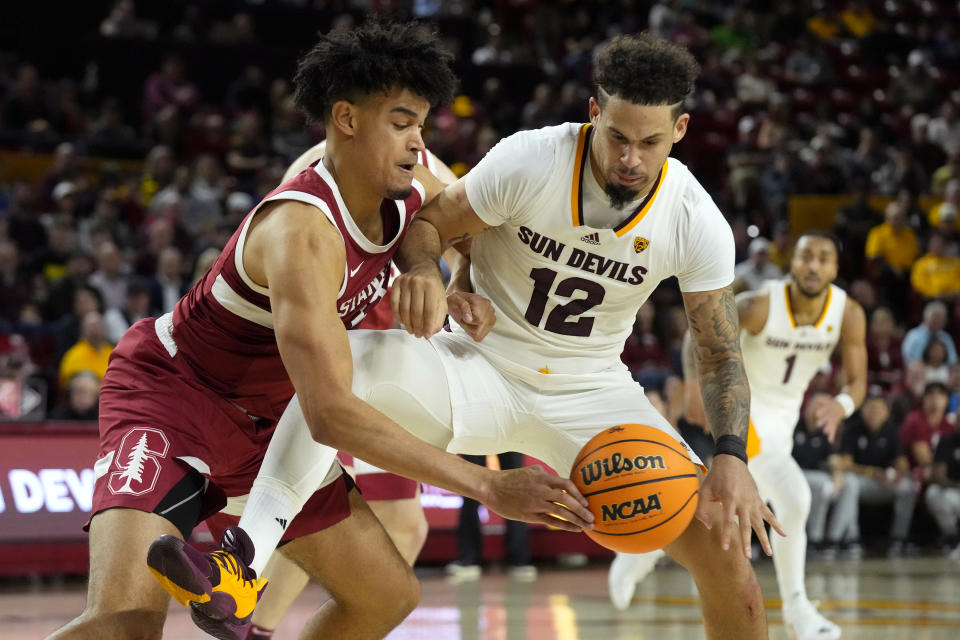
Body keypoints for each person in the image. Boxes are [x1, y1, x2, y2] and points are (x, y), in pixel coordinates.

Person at [217, 33, 784, 640]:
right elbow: (432, 223)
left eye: (649, 143)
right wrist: (424, 274)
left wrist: (730, 456)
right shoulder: (532, 159)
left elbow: (720, 350)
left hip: (590, 390)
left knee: (725, 551)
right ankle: (242, 558)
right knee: (344, 366)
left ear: (680, 131)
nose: (630, 159)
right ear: (594, 114)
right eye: (617, 136)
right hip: (475, 365)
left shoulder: (696, 220)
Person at [49, 22, 579, 640]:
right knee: (126, 625)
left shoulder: (409, 186)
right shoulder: (302, 232)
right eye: (402, 124)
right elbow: (329, 416)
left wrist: (443, 278)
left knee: (385, 596)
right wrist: (486, 483)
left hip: (269, 422)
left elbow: (462, 233)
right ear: (347, 118)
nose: (418, 145)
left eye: (422, 128)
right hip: (176, 399)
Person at [246, 140, 459, 640]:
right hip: (334, 357)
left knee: (402, 526)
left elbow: (468, 245)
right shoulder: (316, 169)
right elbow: (286, 268)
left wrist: (454, 285)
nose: (411, 132)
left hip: (394, 360)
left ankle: (290, 627)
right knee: (320, 518)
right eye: (399, 116)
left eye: (417, 118)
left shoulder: (432, 172)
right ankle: (253, 628)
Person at [610, 232, 867, 640]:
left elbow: (857, 383)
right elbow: (699, 331)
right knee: (795, 498)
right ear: (792, 263)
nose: (813, 266)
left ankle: (643, 549)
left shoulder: (848, 313)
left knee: (723, 516)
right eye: (805, 258)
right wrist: (695, 384)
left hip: (783, 425)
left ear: (836, 268)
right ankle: (798, 610)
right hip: (741, 413)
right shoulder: (761, 305)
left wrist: (841, 405)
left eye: (823, 259)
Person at [836, 394, 918, 556]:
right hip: (862, 481)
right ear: (862, 411)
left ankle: (898, 539)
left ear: (886, 413)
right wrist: (871, 472)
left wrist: (899, 473)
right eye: (870, 409)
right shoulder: (853, 429)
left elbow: (902, 462)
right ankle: (851, 538)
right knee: (850, 483)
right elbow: (845, 464)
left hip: (883, 482)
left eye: (879, 409)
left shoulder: (891, 431)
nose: (874, 413)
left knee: (908, 487)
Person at [793, 393, 860, 559]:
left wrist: (837, 474)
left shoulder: (828, 430)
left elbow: (832, 459)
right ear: (808, 407)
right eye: (817, 406)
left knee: (849, 483)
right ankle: (815, 538)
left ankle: (835, 538)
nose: (819, 411)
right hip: (794, 473)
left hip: (817, 474)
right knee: (824, 485)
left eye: (824, 407)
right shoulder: (795, 425)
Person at [924, 423, 960, 555]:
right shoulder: (947, 441)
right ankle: (953, 538)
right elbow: (938, 475)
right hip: (952, 489)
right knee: (933, 493)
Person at [902, 300, 958, 366]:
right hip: (919, 373)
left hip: (943, 374)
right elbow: (908, 360)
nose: (938, 321)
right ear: (925, 317)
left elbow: (953, 362)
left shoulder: (946, 338)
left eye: (941, 319)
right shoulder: (913, 336)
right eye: (935, 317)